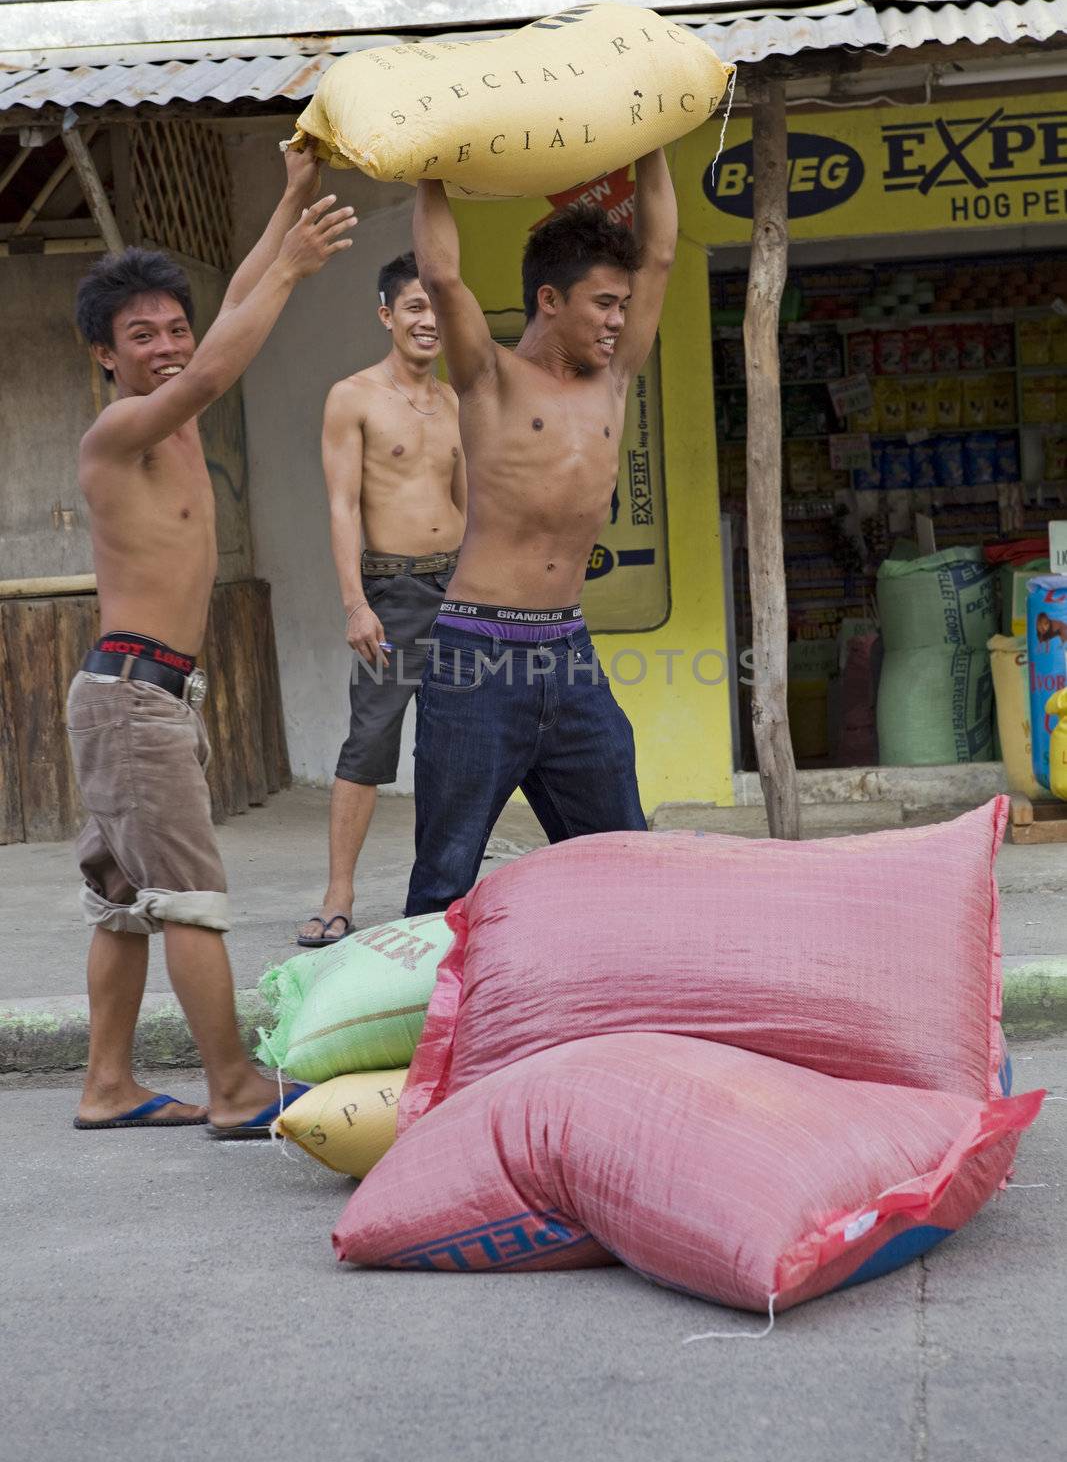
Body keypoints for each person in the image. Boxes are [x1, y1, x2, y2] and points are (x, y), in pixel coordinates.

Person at [68, 144, 357, 1135]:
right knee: (188, 897)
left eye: (173, 327)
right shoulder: (122, 432)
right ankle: (233, 1088)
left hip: (137, 697)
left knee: (121, 899)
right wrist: (293, 268)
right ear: (104, 355)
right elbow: (222, 356)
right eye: (139, 335)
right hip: (131, 700)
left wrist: (286, 202)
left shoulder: (175, 412)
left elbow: (228, 311)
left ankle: (107, 1083)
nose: (165, 344)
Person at [404, 150, 677, 916]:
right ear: (550, 300)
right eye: (602, 304)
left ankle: (619, 1022)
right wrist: (426, 171)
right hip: (476, 657)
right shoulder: (486, 378)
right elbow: (444, 277)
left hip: (569, 655)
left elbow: (657, 254)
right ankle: (430, 1034)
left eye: (622, 305)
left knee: (624, 858)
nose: (618, 319)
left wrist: (652, 142)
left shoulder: (613, 380)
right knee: (444, 877)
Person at [296, 253, 465, 946]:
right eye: (415, 308)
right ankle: (338, 897)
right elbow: (341, 507)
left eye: (437, 309)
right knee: (367, 744)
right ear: (387, 315)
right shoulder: (353, 396)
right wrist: (354, 604)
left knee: (457, 747)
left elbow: (465, 501)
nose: (428, 322)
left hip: (458, 589)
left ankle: (443, 896)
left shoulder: (455, 402)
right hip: (391, 592)